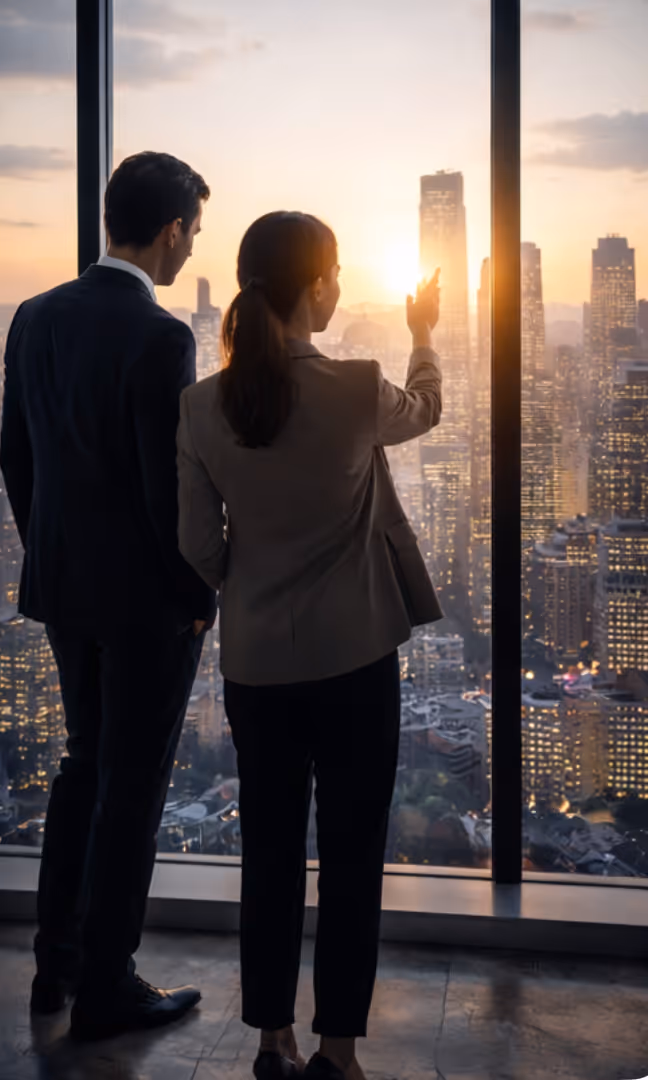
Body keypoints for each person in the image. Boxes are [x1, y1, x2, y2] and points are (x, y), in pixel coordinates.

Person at [177, 211, 443, 1080]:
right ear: (318, 286)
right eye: (335, 275)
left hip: (256, 668)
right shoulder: (356, 387)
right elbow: (428, 408)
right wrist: (423, 335)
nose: (338, 289)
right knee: (352, 856)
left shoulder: (201, 407)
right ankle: (336, 1049)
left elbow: (197, 545)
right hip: (356, 661)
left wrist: (247, 583)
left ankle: (270, 1040)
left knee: (269, 853)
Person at [0, 151, 216, 1041]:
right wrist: (196, 593)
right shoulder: (161, 336)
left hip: (65, 589)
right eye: (192, 231)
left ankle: (55, 967)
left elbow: (16, 456)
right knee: (132, 788)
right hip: (145, 604)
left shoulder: (34, 316)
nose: (191, 247)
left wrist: (51, 553)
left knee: (82, 767)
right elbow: (168, 490)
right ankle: (107, 987)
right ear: (169, 231)